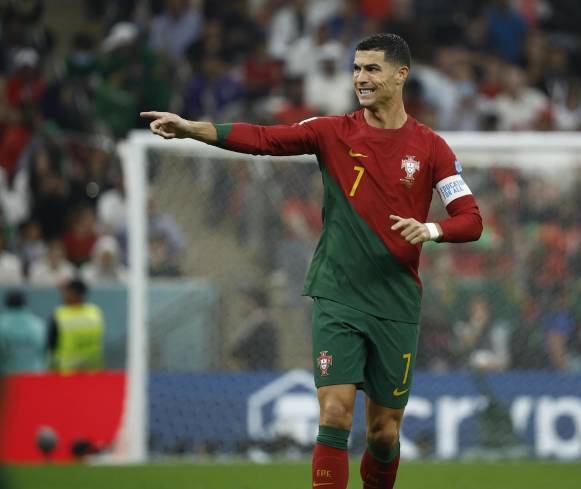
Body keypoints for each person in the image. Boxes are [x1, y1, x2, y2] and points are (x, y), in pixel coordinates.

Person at [141, 33, 482, 489]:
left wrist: (432, 229)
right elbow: (263, 138)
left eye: (372, 69)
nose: (360, 77)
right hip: (337, 293)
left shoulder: (431, 147)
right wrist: (192, 128)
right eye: (357, 68)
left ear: (401, 75)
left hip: (396, 301)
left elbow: (472, 219)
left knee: (383, 433)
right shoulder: (331, 131)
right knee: (336, 413)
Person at [48, 279, 106, 373]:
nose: (64, 295)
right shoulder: (95, 312)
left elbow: (52, 344)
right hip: (92, 370)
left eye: (67, 292)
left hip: (67, 372)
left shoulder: (60, 315)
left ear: (73, 293)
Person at [0, 290, 47, 374]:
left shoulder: (2, 324)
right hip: (33, 375)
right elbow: (44, 350)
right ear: (24, 304)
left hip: (8, 378)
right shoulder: (37, 324)